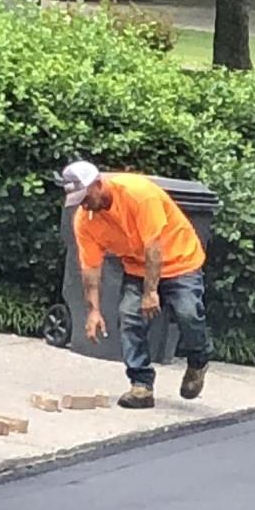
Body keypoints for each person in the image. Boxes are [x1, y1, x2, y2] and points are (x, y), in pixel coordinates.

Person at [59, 161, 213, 410]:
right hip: (137, 267)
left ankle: (198, 360)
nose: (82, 204)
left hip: (179, 260)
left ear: (98, 184)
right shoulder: (85, 220)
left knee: (188, 312)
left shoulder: (138, 194)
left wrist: (151, 292)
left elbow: (154, 247)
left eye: (85, 196)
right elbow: (90, 269)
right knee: (130, 317)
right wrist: (94, 311)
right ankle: (141, 386)